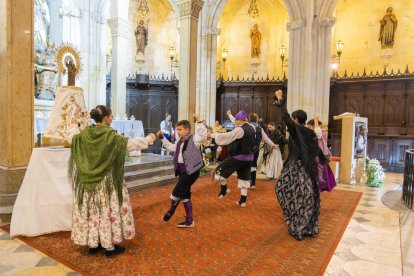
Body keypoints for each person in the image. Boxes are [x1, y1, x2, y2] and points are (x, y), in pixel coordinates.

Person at [68, 105, 156, 257]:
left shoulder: (83, 134)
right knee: (107, 210)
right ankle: (109, 247)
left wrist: (74, 123)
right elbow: (130, 144)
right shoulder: (111, 136)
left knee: (93, 211)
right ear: (106, 118)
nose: (112, 118)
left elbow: (71, 138)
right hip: (106, 181)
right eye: (111, 115)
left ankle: (94, 244)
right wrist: (149, 139)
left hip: (88, 182)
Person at [273, 90, 328, 241]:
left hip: (295, 167)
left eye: (293, 119)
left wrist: (280, 100)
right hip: (307, 168)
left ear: (296, 119)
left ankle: (296, 224)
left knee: (284, 190)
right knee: (305, 195)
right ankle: (306, 226)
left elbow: (285, 117)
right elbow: (316, 150)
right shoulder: (309, 132)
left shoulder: (297, 130)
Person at [158, 114, 207, 228]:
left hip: (191, 171)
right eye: (177, 130)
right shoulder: (180, 141)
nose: (178, 132)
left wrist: (199, 121)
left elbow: (203, 135)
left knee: (176, 193)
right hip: (182, 171)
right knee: (185, 195)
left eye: (180, 129)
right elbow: (170, 147)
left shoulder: (194, 139)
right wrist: (162, 138)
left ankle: (170, 212)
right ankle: (190, 221)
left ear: (187, 130)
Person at [211, 110, 255, 207]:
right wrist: (229, 115)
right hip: (249, 158)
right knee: (244, 178)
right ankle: (243, 201)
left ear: (240, 120)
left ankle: (224, 189)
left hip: (239, 157)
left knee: (219, 171)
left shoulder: (239, 130)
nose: (235, 121)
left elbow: (227, 137)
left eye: (236, 120)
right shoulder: (252, 127)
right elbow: (234, 121)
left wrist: (212, 135)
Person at [306, 116, 336, 192]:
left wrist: (316, 121)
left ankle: (318, 186)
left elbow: (317, 133)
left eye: (309, 127)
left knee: (319, 172)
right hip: (314, 155)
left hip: (319, 156)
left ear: (314, 126)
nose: (308, 129)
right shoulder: (315, 132)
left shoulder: (321, 132)